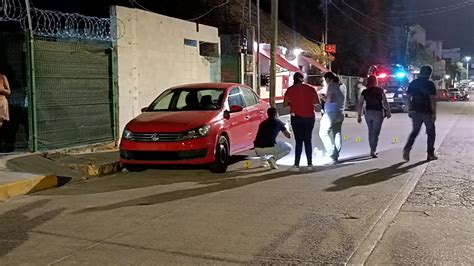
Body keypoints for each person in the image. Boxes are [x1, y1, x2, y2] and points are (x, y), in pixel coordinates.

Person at [284, 72, 320, 171]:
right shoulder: (311, 88)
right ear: (302, 79)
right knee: (308, 140)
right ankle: (310, 164)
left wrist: (293, 103)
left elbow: (285, 104)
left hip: (296, 117)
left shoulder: (290, 90)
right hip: (309, 117)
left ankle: (296, 164)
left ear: (294, 79)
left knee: (298, 141)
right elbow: (316, 103)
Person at [403, 65, 438, 161]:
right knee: (431, 133)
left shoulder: (414, 83)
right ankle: (430, 153)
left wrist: (409, 109)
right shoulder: (430, 84)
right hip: (427, 112)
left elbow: (408, 97)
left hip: (415, 111)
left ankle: (407, 148)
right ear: (429, 74)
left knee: (415, 131)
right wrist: (434, 113)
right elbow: (432, 100)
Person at [357, 75, 391, 158]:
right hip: (378, 112)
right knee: (375, 133)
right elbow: (385, 102)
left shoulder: (365, 91)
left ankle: (372, 148)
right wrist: (388, 111)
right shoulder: (380, 90)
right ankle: (373, 150)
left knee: (370, 131)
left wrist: (359, 115)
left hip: (368, 113)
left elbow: (360, 103)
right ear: (376, 81)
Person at [319, 72, 346, 163]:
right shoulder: (343, 86)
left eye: (325, 80)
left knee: (323, 132)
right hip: (340, 111)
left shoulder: (332, 86)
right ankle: (336, 154)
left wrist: (323, 98)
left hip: (331, 112)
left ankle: (332, 152)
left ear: (328, 79)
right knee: (337, 133)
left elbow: (329, 99)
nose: (325, 82)